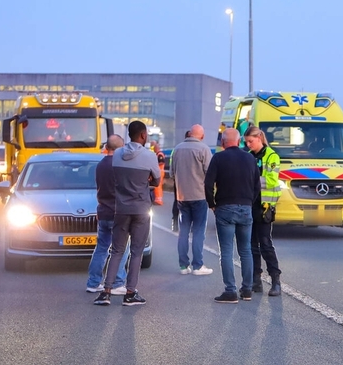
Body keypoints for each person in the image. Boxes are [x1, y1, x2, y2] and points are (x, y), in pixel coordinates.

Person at [94, 121, 160, 307]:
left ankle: (105, 292)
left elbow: (116, 177)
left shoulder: (117, 155)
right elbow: (156, 180)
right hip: (140, 209)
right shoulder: (149, 156)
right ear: (143, 135)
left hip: (120, 209)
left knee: (116, 250)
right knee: (137, 252)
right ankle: (130, 293)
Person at [205, 127, 259, 303]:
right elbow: (257, 186)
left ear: (223, 143)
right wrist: (249, 202)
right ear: (239, 141)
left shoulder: (219, 158)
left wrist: (212, 204)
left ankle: (230, 291)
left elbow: (208, 183)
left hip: (225, 208)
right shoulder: (250, 158)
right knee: (246, 250)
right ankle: (247, 290)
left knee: (226, 251)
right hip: (245, 207)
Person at [85, 134, 131, 295]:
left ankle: (93, 282)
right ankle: (118, 283)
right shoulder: (120, 165)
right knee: (121, 249)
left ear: (106, 147)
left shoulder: (100, 165)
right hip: (118, 213)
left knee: (101, 248)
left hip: (103, 212)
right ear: (120, 148)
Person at [170, 124, 213, 276]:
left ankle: (183, 266)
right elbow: (210, 173)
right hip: (199, 196)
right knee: (198, 231)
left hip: (182, 197)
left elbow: (171, 173)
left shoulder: (177, 149)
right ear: (201, 136)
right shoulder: (204, 149)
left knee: (183, 232)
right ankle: (197, 266)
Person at [243, 126, 282, 296]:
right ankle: (256, 280)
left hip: (265, 207)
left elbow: (272, 180)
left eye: (251, 141)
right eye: (246, 142)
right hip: (249, 206)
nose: (249, 144)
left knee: (265, 244)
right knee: (252, 246)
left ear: (259, 137)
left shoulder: (271, 156)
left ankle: (275, 280)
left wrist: (251, 180)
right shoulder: (249, 157)